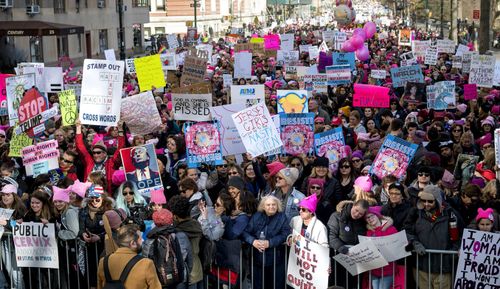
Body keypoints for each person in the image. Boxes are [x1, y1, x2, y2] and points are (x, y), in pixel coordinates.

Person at [405, 185, 463, 289]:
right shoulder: (415, 213)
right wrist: (414, 243)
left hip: (443, 267)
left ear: (437, 200)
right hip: (421, 265)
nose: (426, 204)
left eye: (430, 201)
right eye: (423, 200)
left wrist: (452, 254)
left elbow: (460, 235)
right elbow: (407, 230)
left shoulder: (450, 214)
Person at [242, 195, 290, 289]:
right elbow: (245, 232)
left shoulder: (282, 217)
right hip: (257, 259)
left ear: (277, 206)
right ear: (263, 206)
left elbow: (285, 234)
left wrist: (270, 243)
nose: (271, 207)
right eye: (268, 205)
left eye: (273, 205)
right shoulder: (257, 216)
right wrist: (253, 241)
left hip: (276, 259)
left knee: (275, 285)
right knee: (258, 285)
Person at [97, 224, 162, 289]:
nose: (142, 240)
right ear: (133, 243)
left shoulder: (103, 261)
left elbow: (100, 286)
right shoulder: (146, 263)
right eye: (140, 238)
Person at [143, 208, 192, 289]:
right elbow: (189, 259)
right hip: (179, 277)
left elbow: (146, 261)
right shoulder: (180, 235)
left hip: (159, 280)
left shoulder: (150, 239)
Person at [75, 120, 125, 193]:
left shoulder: (112, 162)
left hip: (107, 195)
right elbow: (80, 147)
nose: (95, 155)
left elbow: (121, 148)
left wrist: (120, 129)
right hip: (90, 195)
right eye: (94, 153)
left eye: (98, 153)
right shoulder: (89, 162)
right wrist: (78, 128)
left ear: (105, 153)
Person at [169, 195, 204, 289]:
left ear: (175, 216)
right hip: (197, 270)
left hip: (183, 273)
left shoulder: (176, 231)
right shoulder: (197, 225)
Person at [364, 206, 397, 289]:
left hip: (388, 268)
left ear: (377, 215)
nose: (370, 219)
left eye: (372, 216)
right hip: (374, 268)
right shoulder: (369, 232)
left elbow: (397, 245)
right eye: (367, 218)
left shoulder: (391, 229)